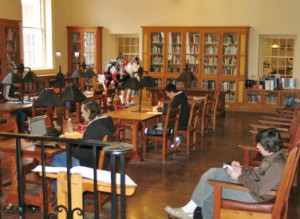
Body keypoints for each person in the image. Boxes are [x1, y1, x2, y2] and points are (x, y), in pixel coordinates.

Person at [165, 128, 286, 219]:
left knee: (211, 193)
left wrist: (239, 177)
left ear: (269, 146)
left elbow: (259, 189)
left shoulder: (276, 166)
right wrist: (241, 169)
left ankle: (190, 210)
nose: (257, 146)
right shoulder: (274, 157)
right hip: (253, 188)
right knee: (215, 173)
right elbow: (258, 174)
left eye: (260, 144)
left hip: (256, 196)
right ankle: (190, 208)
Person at [51, 99, 115, 168]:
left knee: (58, 157)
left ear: (88, 112)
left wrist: (67, 146)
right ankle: (67, 177)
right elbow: (88, 142)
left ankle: (62, 178)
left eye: (83, 112)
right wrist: (74, 142)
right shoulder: (105, 122)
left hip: (89, 165)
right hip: (101, 160)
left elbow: (81, 154)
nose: (82, 115)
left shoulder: (96, 129)